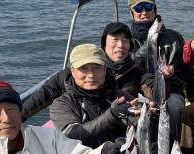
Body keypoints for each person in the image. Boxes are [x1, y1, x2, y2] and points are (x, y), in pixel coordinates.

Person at [20, 22, 150, 120]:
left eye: (125, 40)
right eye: (115, 40)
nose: (120, 45)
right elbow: (44, 94)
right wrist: (18, 118)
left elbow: (150, 87)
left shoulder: (137, 70)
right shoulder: (69, 76)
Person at [127, 0, 194, 140]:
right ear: (132, 13)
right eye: (138, 8)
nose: (144, 12)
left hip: (171, 91)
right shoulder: (127, 41)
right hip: (140, 92)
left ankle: (174, 147)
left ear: (155, 9)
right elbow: (129, 67)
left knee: (174, 110)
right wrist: (149, 43)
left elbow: (188, 70)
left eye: (148, 7)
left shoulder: (174, 36)